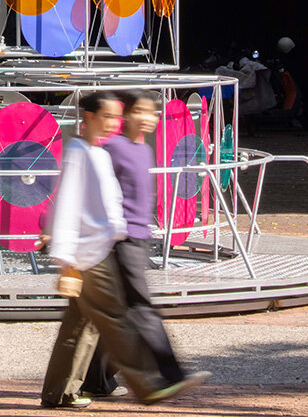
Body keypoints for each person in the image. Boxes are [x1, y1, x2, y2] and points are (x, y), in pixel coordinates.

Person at [41, 91, 195, 410]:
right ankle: (147, 385)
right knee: (115, 319)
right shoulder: (79, 153)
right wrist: (66, 259)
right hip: (88, 255)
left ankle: (58, 392)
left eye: (116, 116)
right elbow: (66, 206)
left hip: (99, 249)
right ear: (89, 118)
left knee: (78, 326)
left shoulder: (97, 153)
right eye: (107, 116)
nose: (114, 123)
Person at [84, 91, 210, 398]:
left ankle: (95, 381)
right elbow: (91, 189)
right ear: (126, 115)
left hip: (139, 237)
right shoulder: (113, 148)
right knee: (142, 308)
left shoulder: (143, 149)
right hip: (120, 240)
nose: (149, 118)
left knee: (118, 312)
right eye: (142, 111)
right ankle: (170, 374)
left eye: (153, 113)